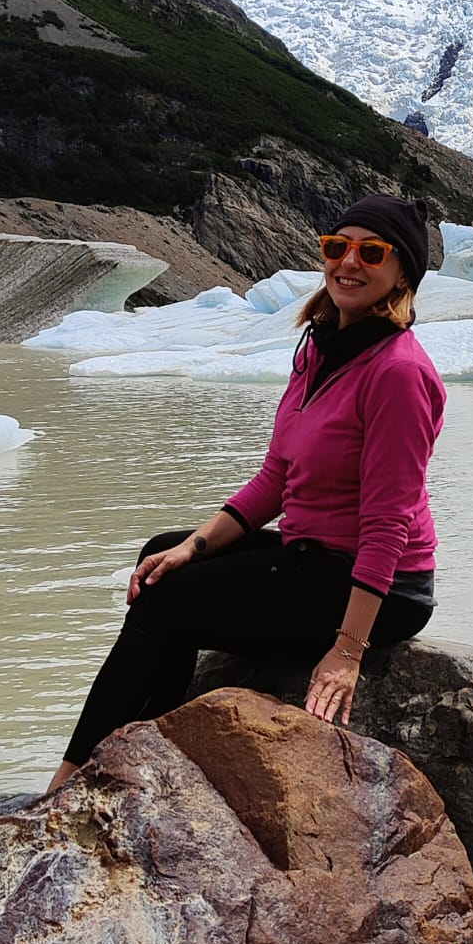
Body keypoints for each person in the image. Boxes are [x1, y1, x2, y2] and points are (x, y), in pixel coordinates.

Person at [46, 193, 445, 791]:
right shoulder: (318, 349)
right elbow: (276, 479)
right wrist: (193, 548)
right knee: (161, 557)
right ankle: (144, 744)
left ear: (402, 273)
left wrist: (347, 651)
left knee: (165, 605)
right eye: (337, 247)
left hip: (380, 589)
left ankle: (72, 781)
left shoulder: (398, 373)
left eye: (372, 251)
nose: (349, 263)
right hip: (313, 553)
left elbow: (389, 522)